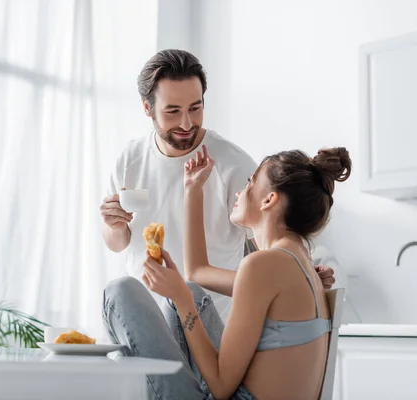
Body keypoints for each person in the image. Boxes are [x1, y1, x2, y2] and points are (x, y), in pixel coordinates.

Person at [99, 49, 335, 318]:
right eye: (173, 111)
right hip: (145, 316)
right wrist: (113, 225)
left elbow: (273, 237)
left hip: (210, 319)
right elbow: (118, 244)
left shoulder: (233, 164)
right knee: (118, 295)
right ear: (147, 108)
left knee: (117, 293)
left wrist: (303, 274)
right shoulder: (129, 160)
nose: (187, 123)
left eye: (195, 108)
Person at [102, 145, 352, 400]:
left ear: (269, 200)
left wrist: (180, 297)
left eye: (249, 183)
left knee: (120, 292)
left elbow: (221, 387)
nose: (239, 192)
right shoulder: (296, 264)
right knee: (191, 290)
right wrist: (193, 189)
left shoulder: (262, 265)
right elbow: (197, 272)